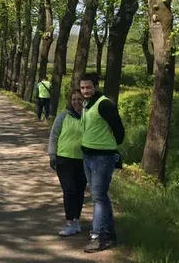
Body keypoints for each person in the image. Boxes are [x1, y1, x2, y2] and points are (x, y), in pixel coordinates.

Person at [79, 72, 125, 253]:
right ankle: (109, 234)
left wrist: (110, 146)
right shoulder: (87, 104)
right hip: (88, 155)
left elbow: (119, 130)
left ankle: (97, 237)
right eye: (82, 88)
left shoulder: (104, 104)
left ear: (96, 87)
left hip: (102, 158)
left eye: (88, 87)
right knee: (100, 196)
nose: (85, 91)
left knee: (98, 197)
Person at [48, 90, 86, 237]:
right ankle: (69, 223)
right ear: (70, 101)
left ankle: (76, 221)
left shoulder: (88, 117)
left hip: (83, 160)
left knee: (79, 191)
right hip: (64, 159)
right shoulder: (63, 116)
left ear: (84, 101)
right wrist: (52, 155)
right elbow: (54, 135)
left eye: (79, 99)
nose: (76, 102)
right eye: (74, 99)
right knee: (69, 190)